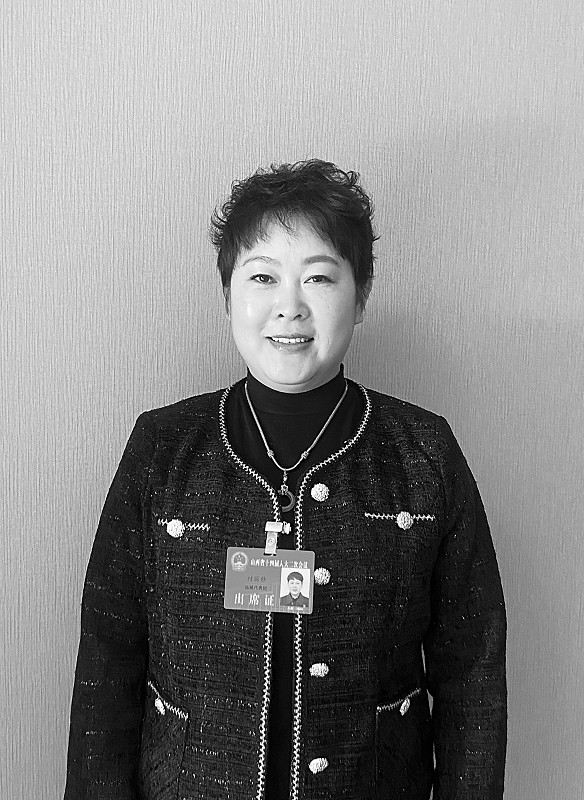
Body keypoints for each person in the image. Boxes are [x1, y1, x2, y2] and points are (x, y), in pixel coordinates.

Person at [64, 160, 507, 800]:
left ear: (361, 295)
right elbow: (108, 657)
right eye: (263, 276)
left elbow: (473, 670)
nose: (289, 307)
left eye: (319, 277)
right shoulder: (161, 448)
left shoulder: (424, 453)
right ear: (229, 295)